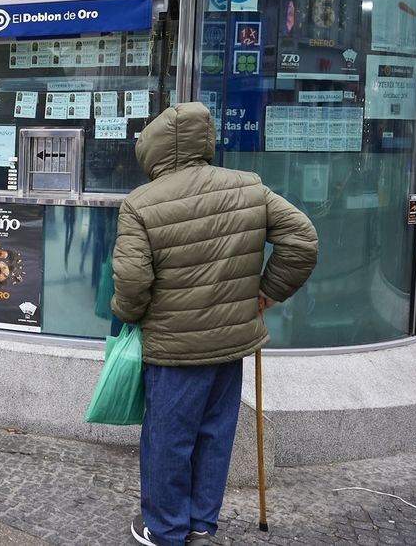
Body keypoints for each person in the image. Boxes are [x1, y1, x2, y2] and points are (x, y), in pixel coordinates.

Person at [111, 103, 317, 546]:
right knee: (214, 434)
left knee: (167, 441)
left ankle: (164, 529)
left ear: (155, 149)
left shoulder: (140, 204)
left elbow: (131, 282)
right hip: (231, 345)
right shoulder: (249, 188)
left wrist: (127, 313)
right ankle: (202, 523)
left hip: (173, 350)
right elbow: (302, 238)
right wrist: (268, 292)